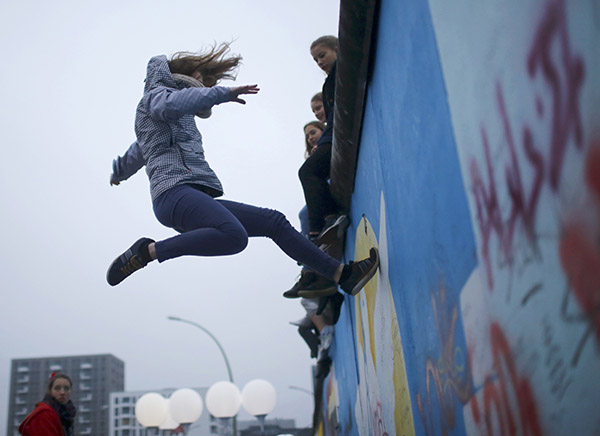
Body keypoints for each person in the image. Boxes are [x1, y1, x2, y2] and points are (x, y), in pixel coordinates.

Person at [107, 43, 379, 299]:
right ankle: (146, 252)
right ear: (184, 76)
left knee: (274, 222)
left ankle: (343, 275)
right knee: (235, 237)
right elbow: (170, 104)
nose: (205, 85)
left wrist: (119, 172)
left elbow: (138, 150)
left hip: (188, 197)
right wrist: (221, 94)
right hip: (172, 196)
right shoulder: (155, 99)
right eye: (202, 79)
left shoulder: (167, 120)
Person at [299, 36, 349, 249]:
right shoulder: (329, 81)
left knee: (308, 171)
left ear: (337, 49)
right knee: (309, 171)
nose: (319, 62)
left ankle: (321, 225)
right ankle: (323, 224)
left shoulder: (341, 71)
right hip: (333, 135)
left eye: (322, 55)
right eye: (315, 59)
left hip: (336, 135)